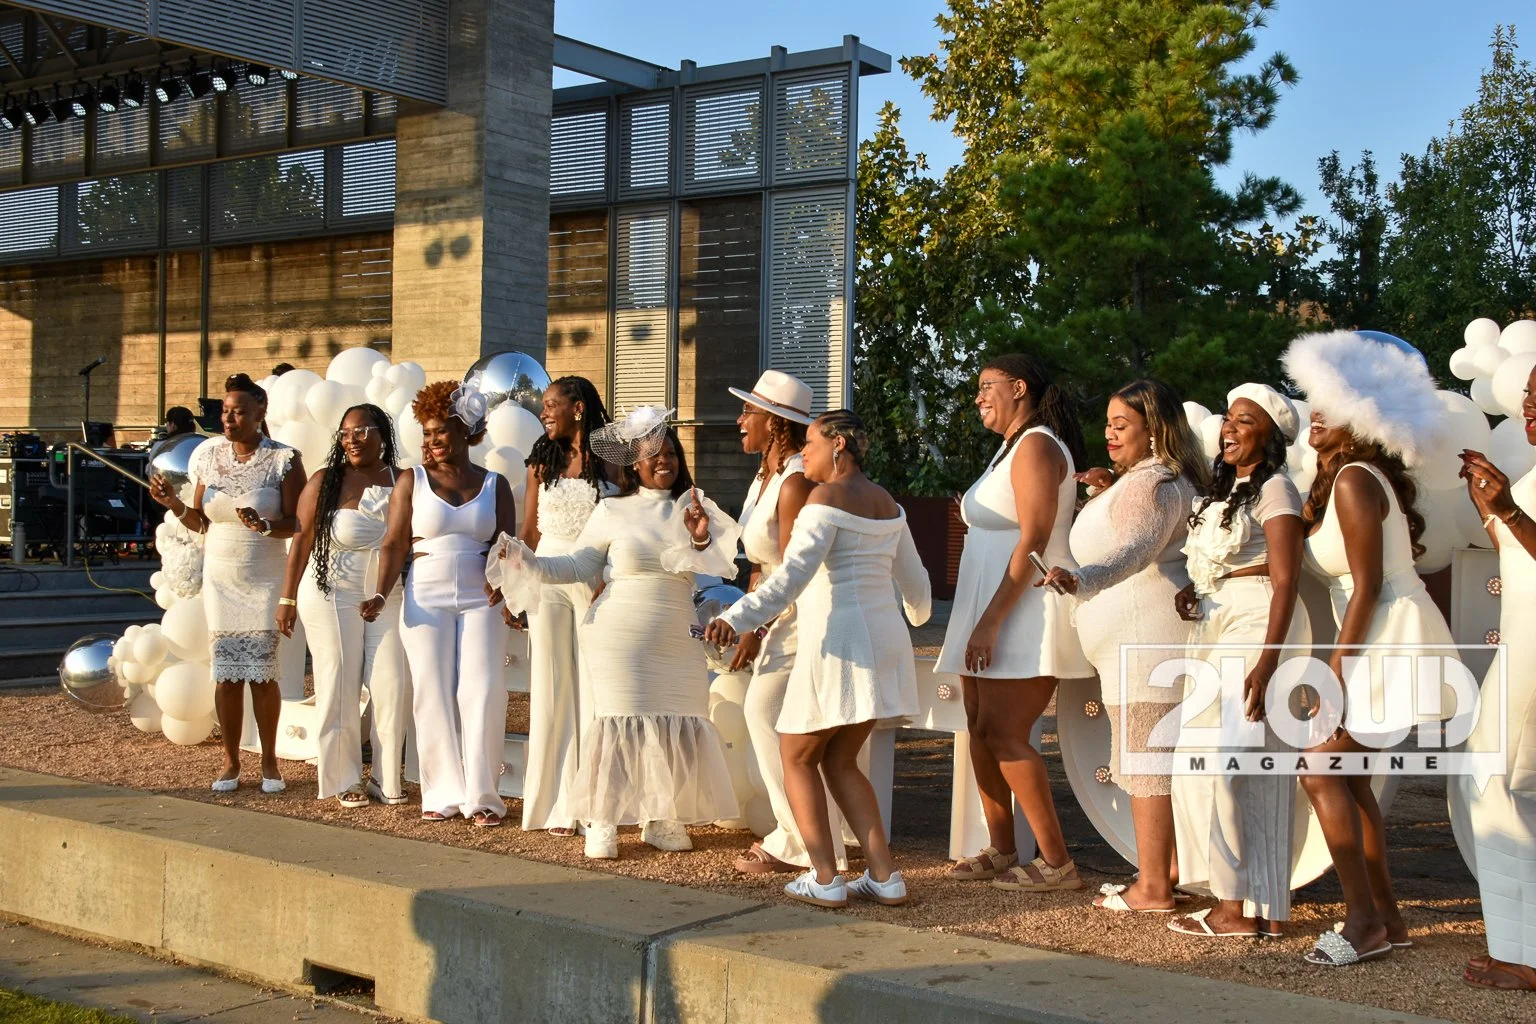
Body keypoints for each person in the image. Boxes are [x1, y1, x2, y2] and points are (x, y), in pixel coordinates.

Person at [706, 410, 933, 909]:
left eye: (810, 442)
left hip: (839, 643)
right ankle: (884, 877)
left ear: (839, 446)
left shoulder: (823, 500)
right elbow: (918, 587)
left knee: (796, 755)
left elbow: (789, 580)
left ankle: (826, 878)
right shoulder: (888, 504)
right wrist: (917, 617)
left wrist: (735, 618)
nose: (803, 452)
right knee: (840, 759)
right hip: (885, 641)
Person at [493, 412, 741, 860]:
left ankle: (662, 818)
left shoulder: (694, 506)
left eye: (671, 453)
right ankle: (602, 819)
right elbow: (578, 565)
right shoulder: (612, 510)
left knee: (678, 717)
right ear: (634, 464)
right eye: (654, 455)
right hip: (619, 633)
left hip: (677, 631)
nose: (664, 461)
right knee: (618, 723)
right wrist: (531, 563)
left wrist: (702, 539)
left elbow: (721, 566)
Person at [1281, 329, 1453, 966]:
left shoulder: (1355, 479)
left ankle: (1363, 923)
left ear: (1364, 418)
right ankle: (1388, 919)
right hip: (1379, 631)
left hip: (1388, 635)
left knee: (1321, 769)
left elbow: (1369, 586)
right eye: (1314, 402)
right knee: (1349, 778)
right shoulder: (1345, 479)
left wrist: (1335, 672)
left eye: (1331, 404)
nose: (1315, 414)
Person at [1039, 379, 1205, 913]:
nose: (1109, 434)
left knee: (1146, 758)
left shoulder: (1153, 482)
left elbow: (1135, 549)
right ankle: (1168, 869)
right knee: (1149, 755)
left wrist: (1081, 579)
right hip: (1144, 638)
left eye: (1121, 425)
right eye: (1107, 424)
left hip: (1145, 638)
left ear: (1153, 430)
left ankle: (1153, 887)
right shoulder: (1154, 478)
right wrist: (1109, 487)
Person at [937, 353, 1093, 892]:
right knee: (979, 727)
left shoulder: (1037, 445)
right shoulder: (1010, 446)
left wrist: (991, 622)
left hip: (1022, 609)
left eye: (988, 386)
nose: (978, 396)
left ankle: (1057, 862)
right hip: (984, 603)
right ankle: (1002, 848)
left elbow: (1035, 538)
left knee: (1005, 731)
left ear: (1020, 388)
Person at [1168, 383, 1310, 940]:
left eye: (1245, 420)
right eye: (1228, 417)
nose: (1229, 427)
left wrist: (1268, 661)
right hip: (1215, 622)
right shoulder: (1226, 492)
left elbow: (1286, 580)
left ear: (1269, 437)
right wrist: (1196, 589)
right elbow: (1222, 562)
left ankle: (1243, 908)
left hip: (1257, 625)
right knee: (1207, 760)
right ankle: (1251, 902)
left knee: (1239, 762)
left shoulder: (1276, 490)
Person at [367, 377, 518, 827]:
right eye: (427, 432)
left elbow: (506, 547)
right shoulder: (411, 480)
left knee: (482, 689)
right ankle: (442, 793)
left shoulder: (495, 484)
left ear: (465, 431)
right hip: (425, 593)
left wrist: (507, 586)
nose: (432, 440)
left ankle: (484, 797)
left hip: (482, 596)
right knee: (431, 691)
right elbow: (394, 543)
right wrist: (380, 592)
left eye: (441, 431)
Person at [147, 373, 306, 793]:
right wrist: (173, 503)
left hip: (264, 576)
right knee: (227, 674)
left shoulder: (284, 459)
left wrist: (266, 525)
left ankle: (269, 761)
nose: (229, 419)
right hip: (220, 578)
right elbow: (201, 522)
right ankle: (231, 761)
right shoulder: (208, 456)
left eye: (239, 412)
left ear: (260, 413)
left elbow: (298, 523)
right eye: (225, 411)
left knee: (262, 673)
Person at [722, 370, 829, 876]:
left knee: (763, 711)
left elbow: (791, 575)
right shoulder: (764, 476)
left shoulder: (794, 482)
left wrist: (753, 627)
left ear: (776, 423)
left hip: (801, 617)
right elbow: (759, 565)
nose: (739, 419)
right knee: (771, 718)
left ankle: (800, 840)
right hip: (774, 613)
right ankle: (800, 832)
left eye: (749, 411)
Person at [276, 404, 410, 808]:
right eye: (345, 433)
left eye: (361, 431)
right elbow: (301, 539)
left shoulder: (403, 479)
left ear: (382, 435)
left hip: (388, 594)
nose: (351, 440)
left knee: (392, 683)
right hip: (332, 591)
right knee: (339, 684)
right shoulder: (326, 480)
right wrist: (286, 598)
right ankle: (342, 778)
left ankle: (385, 778)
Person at [1454, 362, 1536, 991]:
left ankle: (1524, 955)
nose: (1529, 404)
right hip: (1520, 646)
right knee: (1499, 786)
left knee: (1498, 783)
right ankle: (1518, 945)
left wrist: (1507, 508)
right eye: (1528, 393)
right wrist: (1490, 509)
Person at [518, 376, 614, 837]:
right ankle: (553, 803)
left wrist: (611, 578)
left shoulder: (612, 459)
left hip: (594, 577)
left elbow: (625, 522)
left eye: (551, 404)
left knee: (594, 689)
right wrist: (515, 587)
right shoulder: (542, 462)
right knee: (551, 685)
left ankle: (593, 801)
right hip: (546, 575)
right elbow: (529, 531)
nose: (544, 413)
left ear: (578, 408)